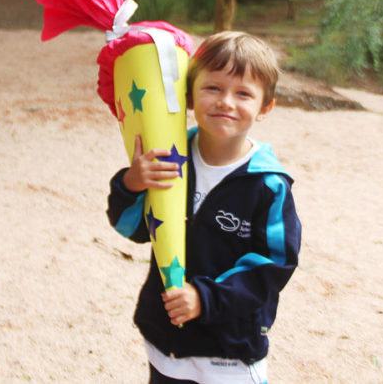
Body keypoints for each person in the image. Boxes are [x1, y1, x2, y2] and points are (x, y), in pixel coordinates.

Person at [107, 31, 302, 383]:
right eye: (213, 88)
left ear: (266, 106)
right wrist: (131, 184)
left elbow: (274, 266)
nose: (226, 102)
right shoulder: (169, 158)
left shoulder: (267, 184)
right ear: (190, 96)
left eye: (243, 93)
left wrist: (205, 297)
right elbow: (131, 228)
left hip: (230, 349)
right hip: (167, 343)